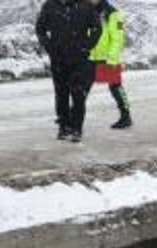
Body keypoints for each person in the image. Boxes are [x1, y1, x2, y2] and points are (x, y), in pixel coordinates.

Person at [36, 0, 101, 142]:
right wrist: (49, 47)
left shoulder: (86, 6)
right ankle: (63, 127)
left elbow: (97, 28)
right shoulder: (49, 5)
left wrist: (86, 46)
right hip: (58, 59)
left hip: (79, 59)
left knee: (78, 94)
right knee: (61, 94)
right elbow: (40, 29)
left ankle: (77, 128)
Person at [89, 0, 132, 130]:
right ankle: (73, 119)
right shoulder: (84, 10)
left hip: (107, 58)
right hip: (88, 57)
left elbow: (118, 37)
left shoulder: (113, 14)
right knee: (80, 89)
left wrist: (112, 58)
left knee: (115, 87)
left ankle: (126, 117)